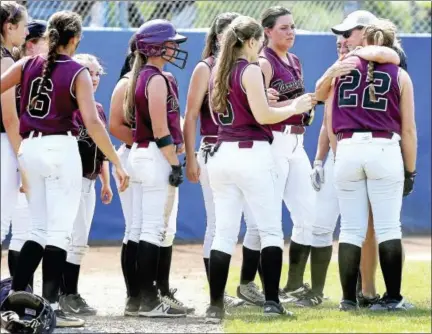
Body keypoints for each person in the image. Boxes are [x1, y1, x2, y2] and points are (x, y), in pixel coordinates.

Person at [0, 10, 129, 327]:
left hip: (29, 146)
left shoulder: (28, 63)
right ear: (75, 39)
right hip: (61, 148)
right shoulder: (76, 71)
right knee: (58, 233)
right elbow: (93, 123)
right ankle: (52, 308)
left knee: (37, 230)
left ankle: (17, 300)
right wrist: (116, 161)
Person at [205, 15, 316, 323]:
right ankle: (271, 302)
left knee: (224, 234)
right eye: (259, 42)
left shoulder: (218, 69)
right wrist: (295, 107)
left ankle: (215, 305)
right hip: (251, 152)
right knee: (269, 230)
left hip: (222, 153)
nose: (261, 48)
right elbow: (264, 116)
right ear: (252, 41)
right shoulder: (250, 68)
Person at [314, 10, 407, 308]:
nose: (343, 39)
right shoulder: (385, 66)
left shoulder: (351, 62)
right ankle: (389, 297)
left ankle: (351, 298)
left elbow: (322, 103)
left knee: (353, 229)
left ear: (365, 33)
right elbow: (410, 128)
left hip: (351, 147)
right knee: (387, 227)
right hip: (381, 147)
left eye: (349, 33)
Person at [183, 11, 264, 308]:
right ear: (219, 37)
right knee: (218, 225)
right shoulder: (207, 66)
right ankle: (216, 296)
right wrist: (191, 157)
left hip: (243, 149)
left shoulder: (247, 66)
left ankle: (246, 284)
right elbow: (191, 114)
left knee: (256, 224)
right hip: (214, 146)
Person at [123, 19, 189, 318]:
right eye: (170, 42)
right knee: (151, 229)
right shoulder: (157, 79)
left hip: (141, 154)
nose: (175, 47)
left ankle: (137, 300)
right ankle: (150, 300)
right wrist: (175, 163)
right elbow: (161, 128)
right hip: (154, 154)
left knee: (138, 228)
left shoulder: (143, 76)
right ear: (155, 47)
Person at [257, 6, 316, 302]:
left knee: (308, 214)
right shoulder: (263, 62)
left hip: (296, 142)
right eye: (283, 27)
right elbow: (260, 112)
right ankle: (258, 287)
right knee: (266, 219)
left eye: (292, 27)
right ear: (267, 31)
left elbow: (294, 102)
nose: (290, 32)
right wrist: (293, 106)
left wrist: (304, 108)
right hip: (273, 142)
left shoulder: (294, 60)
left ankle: (294, 284)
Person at [59, 54, 112, 316]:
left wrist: (106, 182)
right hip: (70, 181)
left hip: (89, 181)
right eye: (87, 72)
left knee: (80, 240)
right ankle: (63, 292)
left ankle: (70, 292)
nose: (93, 78)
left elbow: (101, 151)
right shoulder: (68, 106)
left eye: (97, 73)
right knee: (67, 237)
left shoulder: (97, 109)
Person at [7, 19, 48, 289]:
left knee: (25, 229)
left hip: (22, 152)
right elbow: (12, 120)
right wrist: (23, 162)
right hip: (18, 152)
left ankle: (23, 290)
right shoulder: (19, 71)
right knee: (26, 228)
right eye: (47, 40)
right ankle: (21, 291)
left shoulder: (27, 71)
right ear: (31, 45)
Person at [0, 0, 28, 248]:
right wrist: (24, 161)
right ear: (9, 27)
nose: (26, 32)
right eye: (23, 26)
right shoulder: (6, 61)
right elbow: (9, 118)